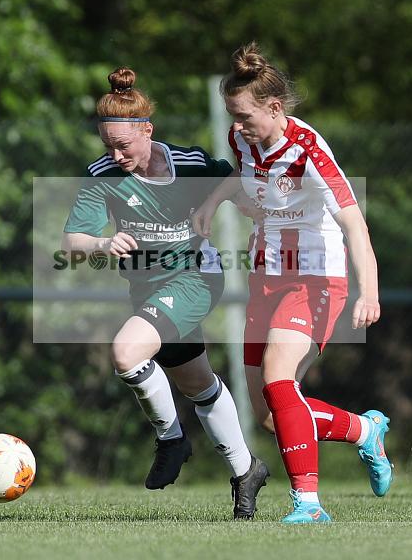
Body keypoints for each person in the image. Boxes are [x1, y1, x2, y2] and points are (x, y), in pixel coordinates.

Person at [192, 42, 392, 524]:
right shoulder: (245, 141)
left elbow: (354, 225)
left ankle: (308, 503)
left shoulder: (309, 150)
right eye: (231, 116)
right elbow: (240, 176)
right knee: (270, 411)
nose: (235, 127)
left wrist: (370, 291)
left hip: (316, 278)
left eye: (243, 116)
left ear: (275, 108)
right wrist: (213, 202)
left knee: (280, 377)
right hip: (267, 276)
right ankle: (364, 432)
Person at [61, 67, 269, 520]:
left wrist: (219, 204)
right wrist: (99, 244)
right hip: (148, 290)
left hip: (197, 277)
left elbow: (234, 178)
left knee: (126, 351)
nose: (116, 154)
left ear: (147, 130)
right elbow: (71, 242)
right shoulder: (102, 175)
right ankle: (246, 471)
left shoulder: (189, 164)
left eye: (124, 144)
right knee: (196, 384)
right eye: (108, 145)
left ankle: (172, 439)